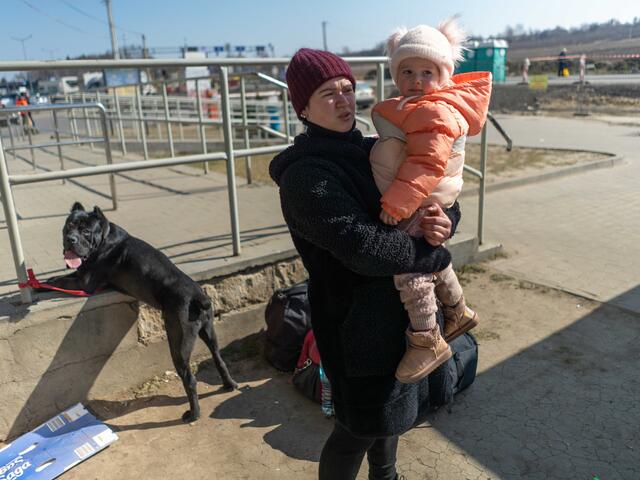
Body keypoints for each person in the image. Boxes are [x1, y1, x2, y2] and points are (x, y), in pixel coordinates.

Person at [270, 48, 461, 480]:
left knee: (389, 416)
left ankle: (386, 476)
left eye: (347, 89)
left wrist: (442, 219)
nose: (343, 101)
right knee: (356, 428)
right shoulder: (306, 175)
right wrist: (431, 254)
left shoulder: (378, 148)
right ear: (302, 107)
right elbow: (363, 247)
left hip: (397, 318)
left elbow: (435, 187)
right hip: (354, 325)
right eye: (327, 93)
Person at [369, 19, 491, 384]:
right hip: (426, 199)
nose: (416, 80)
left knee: (412, 272)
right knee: (433, 261)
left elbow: (426, 163)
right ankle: (457, 310)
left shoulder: (433, 110)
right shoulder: (420, 105)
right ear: (395, 73)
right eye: (407, 71)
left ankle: (426, 339)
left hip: (417, 199)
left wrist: (395, 204)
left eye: (427, 72)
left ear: (445, 75)